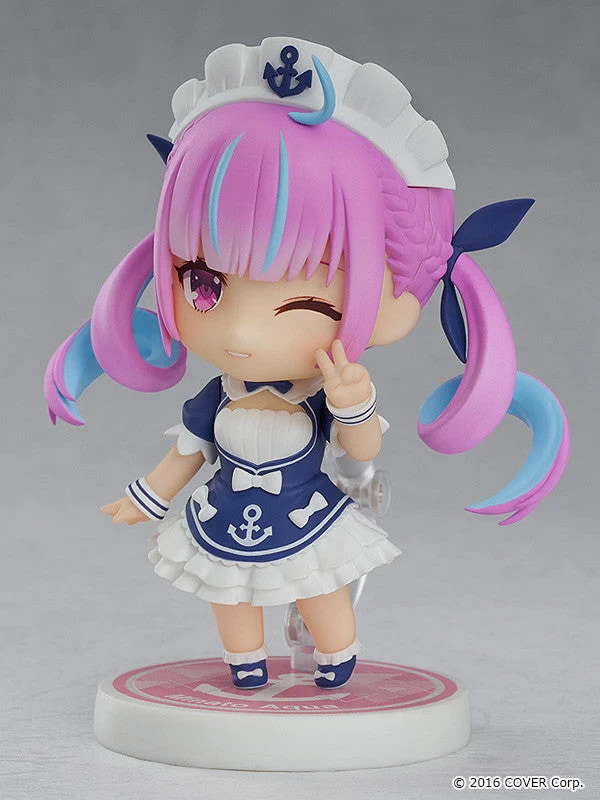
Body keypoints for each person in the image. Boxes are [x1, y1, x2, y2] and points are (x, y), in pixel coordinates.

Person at [44, 37, 569, 691]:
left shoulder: (319, 393)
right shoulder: (217, 397)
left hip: (305, 515)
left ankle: (336, 655)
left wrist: (353, 403)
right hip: (224, 514)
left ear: (392, 305)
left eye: (304, 303)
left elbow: (362, 446)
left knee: (318, 587)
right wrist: (144, 499)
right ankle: (244, 665)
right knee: (227, 592)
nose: (241, 331)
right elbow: (186, 454)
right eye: (203, 284)